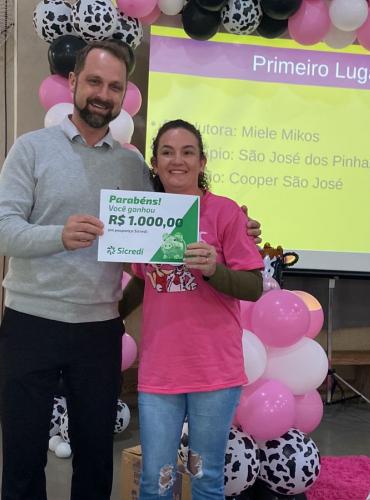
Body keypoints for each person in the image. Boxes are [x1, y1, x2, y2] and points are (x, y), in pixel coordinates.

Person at [0, 42, 260, 500]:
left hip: (98, 329)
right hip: (31, 323)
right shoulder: (30, 150)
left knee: (96, 455)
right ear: (73, 82)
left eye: (114, 86)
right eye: (94, 81)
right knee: (22, 452)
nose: (103, 93)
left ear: (123, 96)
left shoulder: (132, 165)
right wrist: (58, 234)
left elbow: (176, 211)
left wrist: (241, 226)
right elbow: (1, 232)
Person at [118, 120, 264, 500]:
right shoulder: (147, 214)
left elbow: (253, 286)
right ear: (155, 162)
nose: (177, 160)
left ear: (202, 162)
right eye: (167, 152)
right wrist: (109, 314)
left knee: (206, 477)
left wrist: (214, 270)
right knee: (156, 480)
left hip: (214, 372)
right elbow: (142, 279)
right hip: (160, 372)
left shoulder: (225, 213)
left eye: (187, 152)